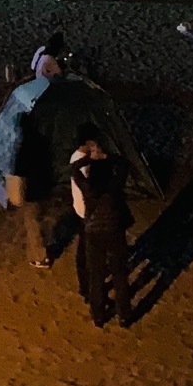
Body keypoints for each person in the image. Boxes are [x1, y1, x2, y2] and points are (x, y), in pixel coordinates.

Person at [68, 124, 132, 327]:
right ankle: (124, 315)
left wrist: (90, 159)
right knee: (120, 275)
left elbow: (74, 170)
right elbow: (124, 164)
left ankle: (98, 316)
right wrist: (105, 157)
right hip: (114, 232)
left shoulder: (88, 188)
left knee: (96, 277)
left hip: (94, 234)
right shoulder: (114, 187)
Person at [11, 114, 53, 268]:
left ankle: (41, 257)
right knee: (39, 219)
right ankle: (43, 249)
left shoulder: (23, 148)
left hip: (31, 192)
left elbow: (19, 171)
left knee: (33, 224)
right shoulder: (42, 143)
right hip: (44, 188)